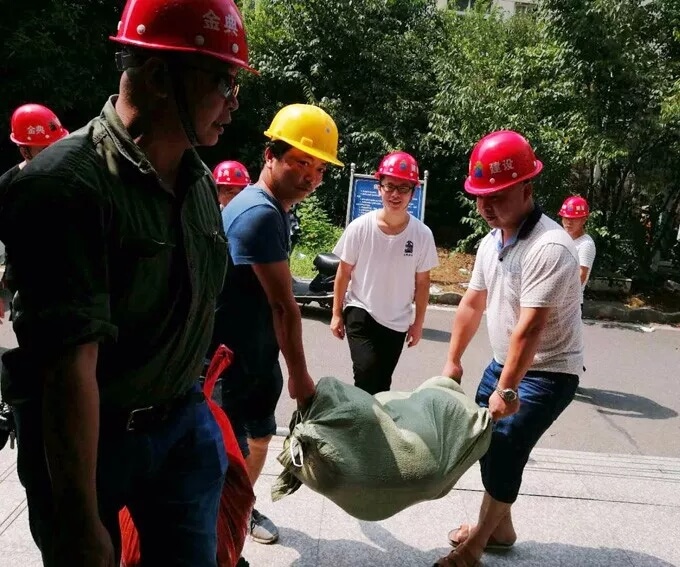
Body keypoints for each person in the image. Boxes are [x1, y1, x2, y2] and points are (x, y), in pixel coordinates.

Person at [0, 0, 256, 565]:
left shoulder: (197, 182)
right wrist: (78, 518)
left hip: (181, 426)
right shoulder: (64, 187)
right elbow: (69, 369)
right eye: (223, 82)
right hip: (93, 449)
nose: (234, 103)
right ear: (160, 77)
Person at [434, 130, 583, 567]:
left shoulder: (550, 247)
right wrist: (452, 359)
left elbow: (530, 328)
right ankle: (501, 529)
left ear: (527, 189)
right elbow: (471, 303)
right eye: (480, 197)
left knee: (506, 444)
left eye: (496, 197)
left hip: (548, 371)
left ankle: (475, 546)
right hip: (506, 364)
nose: (486, 207)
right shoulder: (492, 240)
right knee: (486, 443)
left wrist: (508, 389)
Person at [210, 103, 343, 544]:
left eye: (319, 169)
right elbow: (285, 307)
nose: (310, 177)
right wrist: (301, 376)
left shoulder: (275, 208)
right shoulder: (259, 214)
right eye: (300, 162)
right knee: (228, 457)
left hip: (256, 356)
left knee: (261, 437)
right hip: (228, 363)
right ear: (270, 155)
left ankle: (240, 509)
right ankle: (221, 532)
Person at [330, 151, 438, 394]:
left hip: (397, 320)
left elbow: (422, 283)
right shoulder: (360, 227)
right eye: (389, 186)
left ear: (413, 192)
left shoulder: (422, 235)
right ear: (379, 188)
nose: (395, 194)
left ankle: (371, 416)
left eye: (403, 188)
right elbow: (343, 272)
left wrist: (418, 323)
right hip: (360, 310)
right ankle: (361, 415)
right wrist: (336, 313)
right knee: (366, 372)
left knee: (382, 383)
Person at [0, 104, 69, 312]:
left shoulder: (70, 178)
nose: (56, 155)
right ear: (24, 151)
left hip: (71, 283)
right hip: (29, 289)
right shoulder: (7, 188)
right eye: (45, 150)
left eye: (58, 146)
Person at [559, 195, 596, 301]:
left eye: (573, 219)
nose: (568, 222)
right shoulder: (562, 237)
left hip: (570, 303)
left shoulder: (586, 244)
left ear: (583, 220)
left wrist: (560, 295)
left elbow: (581, 276)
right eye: (566, 218)